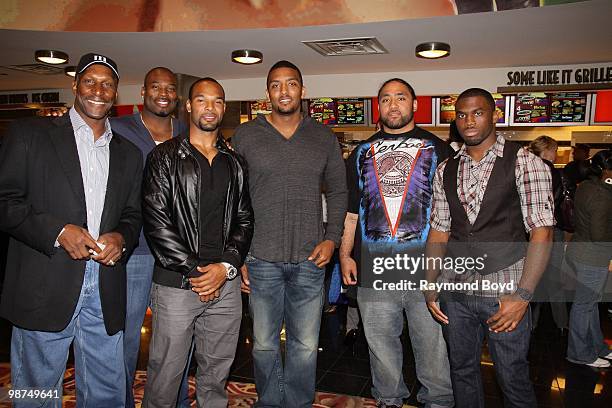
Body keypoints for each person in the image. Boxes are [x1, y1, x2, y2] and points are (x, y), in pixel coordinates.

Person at [0, 53, 143, 407]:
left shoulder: (128, 153)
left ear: (116, 93)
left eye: (107, 84)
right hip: (44, 283)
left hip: (105, 285)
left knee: (107, 390)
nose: (98, 90)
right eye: (90, 81)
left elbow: (132, 214)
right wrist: (57, 231)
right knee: (35, 389)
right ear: (75, 85)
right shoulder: (30, 134)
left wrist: (121, 237)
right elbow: (5, 201)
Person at [425, 88, 554, 408]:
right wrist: (429, 286)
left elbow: (542, 233)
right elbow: (440, 232)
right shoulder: (446, 169)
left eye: (477, 112)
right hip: (454, 288)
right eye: (462, 114)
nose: (468, 121)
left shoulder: (526, 163)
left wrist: (523, 296)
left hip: (505, 286)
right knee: (462, 370)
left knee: (512, 374)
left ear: (495, 115)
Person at [232, 60, 347, 407]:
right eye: (276, 85)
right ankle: (269, 401)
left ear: (303, 90)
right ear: (267, 93)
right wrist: (237, 256)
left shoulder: (322, 136)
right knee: (265, 344)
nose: (284, 91)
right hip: (260, 259)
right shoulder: (246, 135)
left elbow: (340, 192)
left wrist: (332, 239)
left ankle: (297, 403)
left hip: (312, 260)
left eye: (291, 84)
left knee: (305, 344)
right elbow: (232, 199)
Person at [340, 78, 454, 408]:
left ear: (414, 104)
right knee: (380, 347)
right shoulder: (360, 153)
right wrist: (346, 254)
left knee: (431, 346)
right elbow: (351, 211)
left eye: (400, 98)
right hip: (374, 269)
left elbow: (450, 215)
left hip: (424, 271)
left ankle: (439, 403)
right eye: (386, 98)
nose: (393, 104)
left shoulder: (439, 150)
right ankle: (389, 401)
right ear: (379, 106)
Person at [141, 77, 253, 407]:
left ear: (224, 107)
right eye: (202, 100)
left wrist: (226, 266)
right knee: (166, 375)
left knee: (216, 376)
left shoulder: (235, 162)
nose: (210, 107)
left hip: (226, 286)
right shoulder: (163, 157)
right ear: (189, 106)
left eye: (217, 101)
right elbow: (156, 223)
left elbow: (245, 219)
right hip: (177, 284)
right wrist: (196, 271)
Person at [110, 66, 189, 407]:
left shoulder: (187, 132)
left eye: (169, 88)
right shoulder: (118, 129)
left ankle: (175, 401)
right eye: (155, 86)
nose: (163, 93)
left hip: (177, 254)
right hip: (134, 252)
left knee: (177, 340)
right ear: (142, 93)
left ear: (177, 96)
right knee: (125, 339)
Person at [565, 149, 612, 368]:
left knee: (589, 305)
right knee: (584, 306)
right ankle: (579, 353)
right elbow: (600, 234)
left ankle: (598, 347)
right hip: (593, 256)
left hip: (580, 251)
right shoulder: (602, 195)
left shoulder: (587, 187)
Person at [527, 136, 569, 333]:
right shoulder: (551, 170)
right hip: (551, 230)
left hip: (528, 231)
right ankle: (561, 323)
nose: (556, 154)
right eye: (555, 150)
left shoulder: (525, 167)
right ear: (547, 151)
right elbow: (558, 200)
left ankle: (531, 321)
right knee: (554, 277)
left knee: (531, 275)